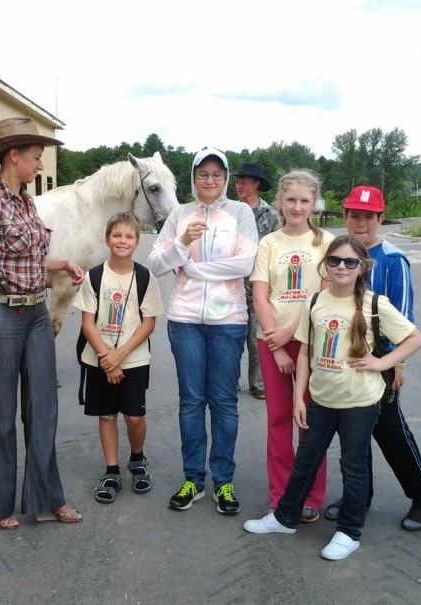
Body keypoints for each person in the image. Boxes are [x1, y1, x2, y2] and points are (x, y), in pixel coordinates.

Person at [244, 235, 421, 561]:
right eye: (335, 260)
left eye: (350, 261)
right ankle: (285, 517)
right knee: (306, 460)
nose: (342, 266)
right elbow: (305, 353)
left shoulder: (374, 304)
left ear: (361, 268)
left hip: (359, 402)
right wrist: (299, 397)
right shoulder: (314, 301)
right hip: (321, 400)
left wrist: (382, 363)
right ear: (325, 265)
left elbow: (414, 338)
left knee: (353, 466)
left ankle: (349, 531)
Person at [0, 117, 85, 530]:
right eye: (35, 157)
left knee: (44, 407)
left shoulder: (27, 201)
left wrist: (62, 262)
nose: (39, 165)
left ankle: (48, 499)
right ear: (13, 155)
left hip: (36, 313)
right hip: (1, 314)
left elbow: (27, 259)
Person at [149, 147, 258, 514]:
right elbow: (156, 264)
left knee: (224, 402)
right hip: (185, 320)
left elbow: (246, 262)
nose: (209, 181)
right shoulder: (179, 214)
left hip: (228, 321)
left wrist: (194, 268)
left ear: (225, 178)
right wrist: (181, 244)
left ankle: (223, 481)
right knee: (192, 401)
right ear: (193, 177)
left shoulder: (240, 212)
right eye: (202, 174)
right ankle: (193, 479)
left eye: (216, 174)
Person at [325, 185, 421, 531]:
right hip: (348, 363)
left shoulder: (392, 259)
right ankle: (360, 496)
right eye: (354, 215)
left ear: (380, 218)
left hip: (382, 363)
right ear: (345, 217)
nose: (361, 223)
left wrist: (395, 365)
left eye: (368, 217)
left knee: (391, 433)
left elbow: (403, 318)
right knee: (354, 436)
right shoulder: (340, 255)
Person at [249, 170, 334, 523]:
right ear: (280, 203)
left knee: (311, 421)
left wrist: (293, 334)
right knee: (279, 419)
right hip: (273, 344)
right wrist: (277, 343)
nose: (297, 207)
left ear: (314, 203)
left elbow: (330, 293)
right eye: (291, 200)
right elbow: (260, 295)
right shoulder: (269, 243)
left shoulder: (327, 242)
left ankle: (311, 496)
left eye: (304, 200)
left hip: (314, 344)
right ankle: (280, 495)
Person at [73, 212, 164, 504]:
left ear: (137, 242)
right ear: (107, 239)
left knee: (134, 417)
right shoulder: (94, 276)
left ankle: (137, 458)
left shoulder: (145, 277)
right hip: (100, 358)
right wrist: (105, 357)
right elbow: (88, 323)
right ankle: (111, 470)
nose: (122, 241)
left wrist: (119, 356)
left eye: (129, 236)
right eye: (117, 235)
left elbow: (148, 323)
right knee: (107, 415)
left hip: (134, 360)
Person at [234, 162, 281, 399]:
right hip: (231, 286)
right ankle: (229, 382)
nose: (239, 185)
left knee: (257, 338)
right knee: (231, 338)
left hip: (259, 286)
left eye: (244, 181)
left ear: (256, 185)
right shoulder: (229, 212)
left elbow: (279, 249)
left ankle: (258, 383)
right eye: (237, 181)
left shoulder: (270, 215)